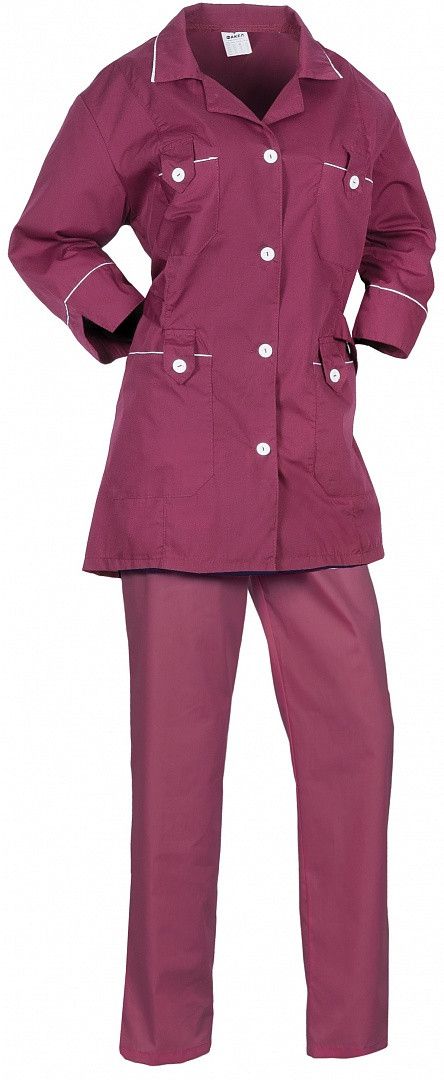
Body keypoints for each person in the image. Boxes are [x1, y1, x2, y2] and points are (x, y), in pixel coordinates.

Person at [8, 2, 436, 1065]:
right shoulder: (133, 90)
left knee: (359, 749)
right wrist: (125, 321)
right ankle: (166, 1041)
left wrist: (378, 328)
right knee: (176, 772)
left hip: (317, 474)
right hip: (177, 470)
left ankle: (349, 1036)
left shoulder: (358, 104)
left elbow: (405, 236)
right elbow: (48, 234)